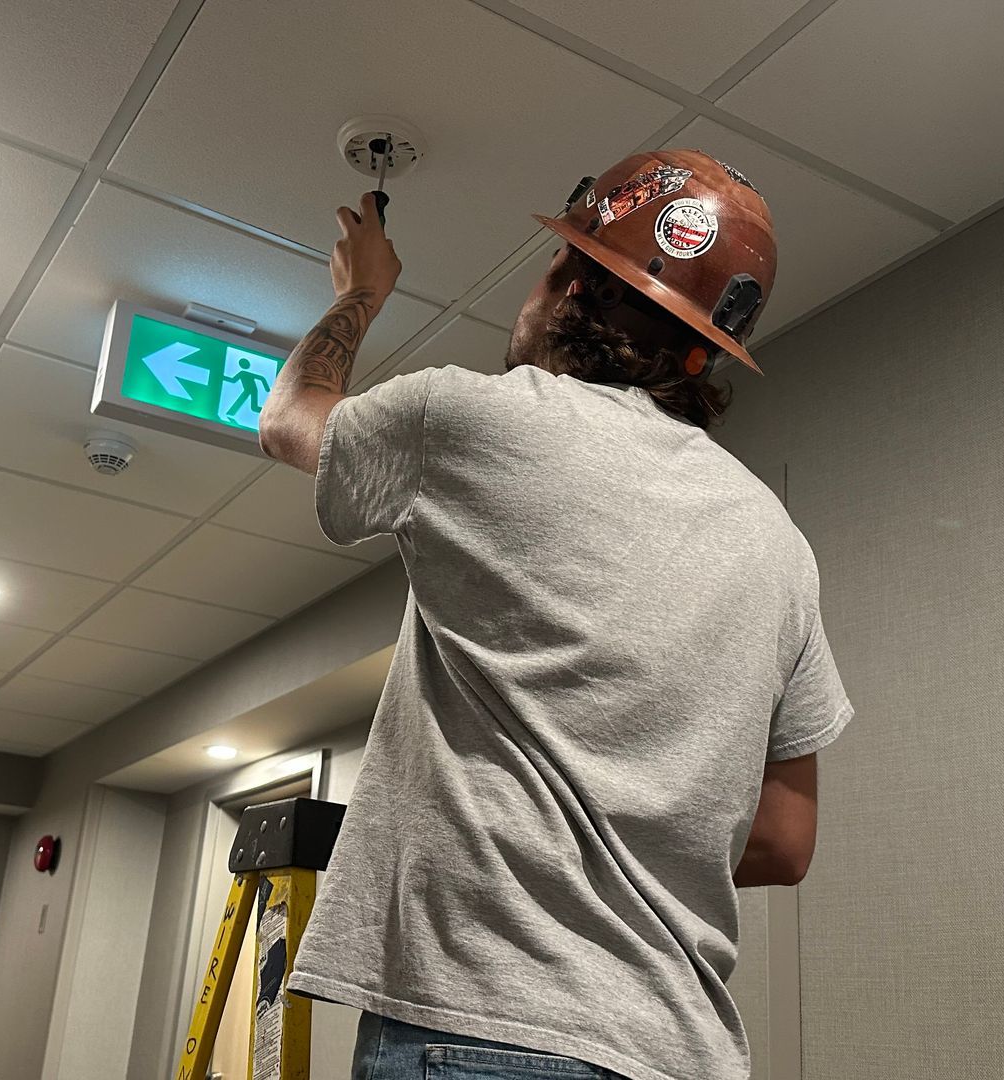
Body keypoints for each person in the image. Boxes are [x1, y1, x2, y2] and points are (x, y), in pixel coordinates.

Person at [256, 151, 853, 1080]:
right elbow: (782, 837)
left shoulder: (477, 419)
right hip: (680, 1053)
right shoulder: (779, 542)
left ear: (572, 282)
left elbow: (291, 416)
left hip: (489, 1028)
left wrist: (362, 292)